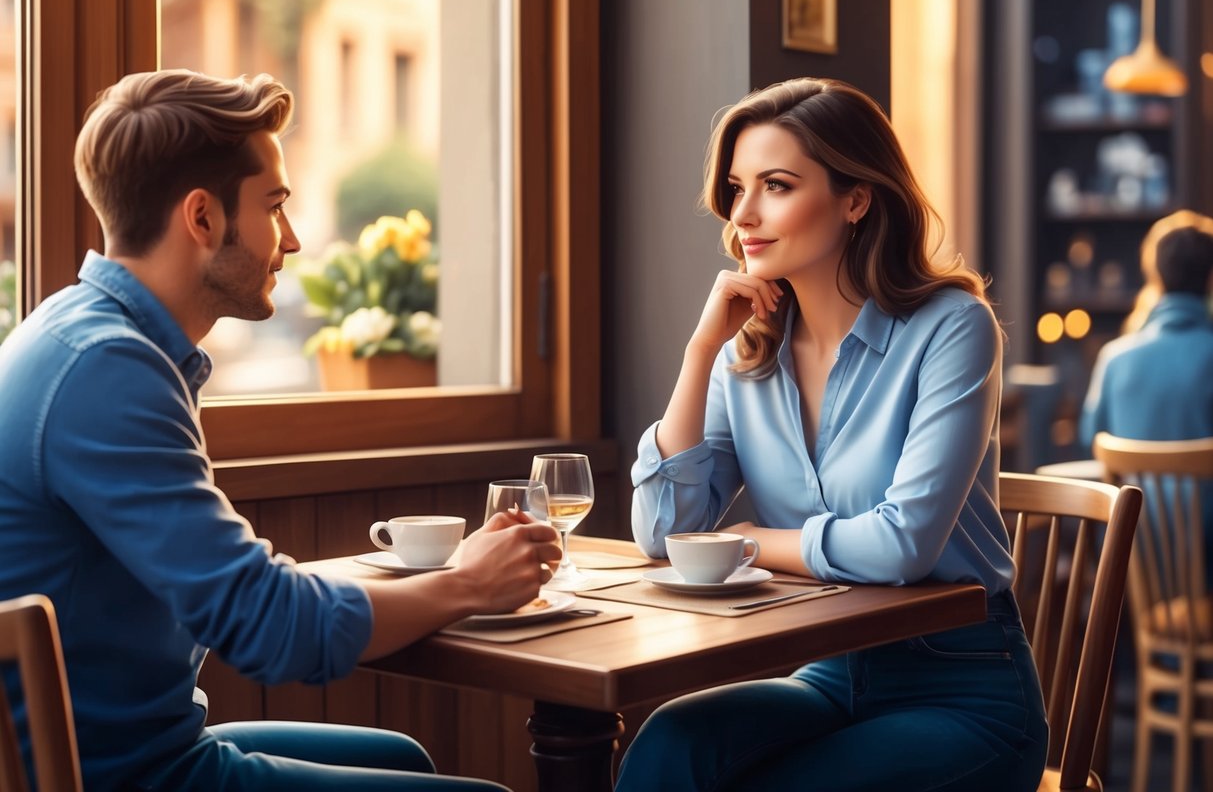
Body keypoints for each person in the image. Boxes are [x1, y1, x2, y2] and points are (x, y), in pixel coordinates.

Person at [0, 69, 562, 791]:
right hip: (115, 777)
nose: (292, 240)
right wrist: (464, 585)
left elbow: (240, 592)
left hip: (134, 745)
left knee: (405, 759)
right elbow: (268, 628)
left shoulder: (80, 334)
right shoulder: (108, 370)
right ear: (201, 219)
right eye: (275, 206)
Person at [615, 77, 1048, 792]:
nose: (743, 215)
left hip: (963, 689)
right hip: (826, 673)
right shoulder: (742, 353)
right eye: (736, 187)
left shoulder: (950, 328)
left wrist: (745, 542)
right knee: (670, 743)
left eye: (776, 186)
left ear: (855, 198)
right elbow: (663, 531)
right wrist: (698, 353)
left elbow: (902, 545)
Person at [1080, 209, 1213, 447]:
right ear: (1210, 278)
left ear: (1156, 277)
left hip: (1131, 485)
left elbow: (1090, 439)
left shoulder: (1114, 358)